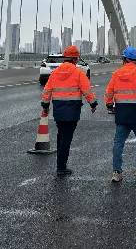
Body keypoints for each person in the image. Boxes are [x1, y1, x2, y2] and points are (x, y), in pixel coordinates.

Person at [41, 45, 97, 176]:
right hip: (72, 110)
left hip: (58, 109)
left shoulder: (55, 73)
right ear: (75, 59)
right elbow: (87, 90)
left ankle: (60, 164)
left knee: (61, 136)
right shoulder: (78, 73)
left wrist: (45, 106)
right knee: (66, 138)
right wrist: (93, 103)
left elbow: (47, 91)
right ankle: (61, 167)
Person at [104, 46, 136, 182]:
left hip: (121, 113)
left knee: (118, 142)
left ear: (124, 59)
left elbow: (108, 93)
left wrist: (109, 105)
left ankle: (116, 172)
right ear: (135, 60)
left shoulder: (116, 74)